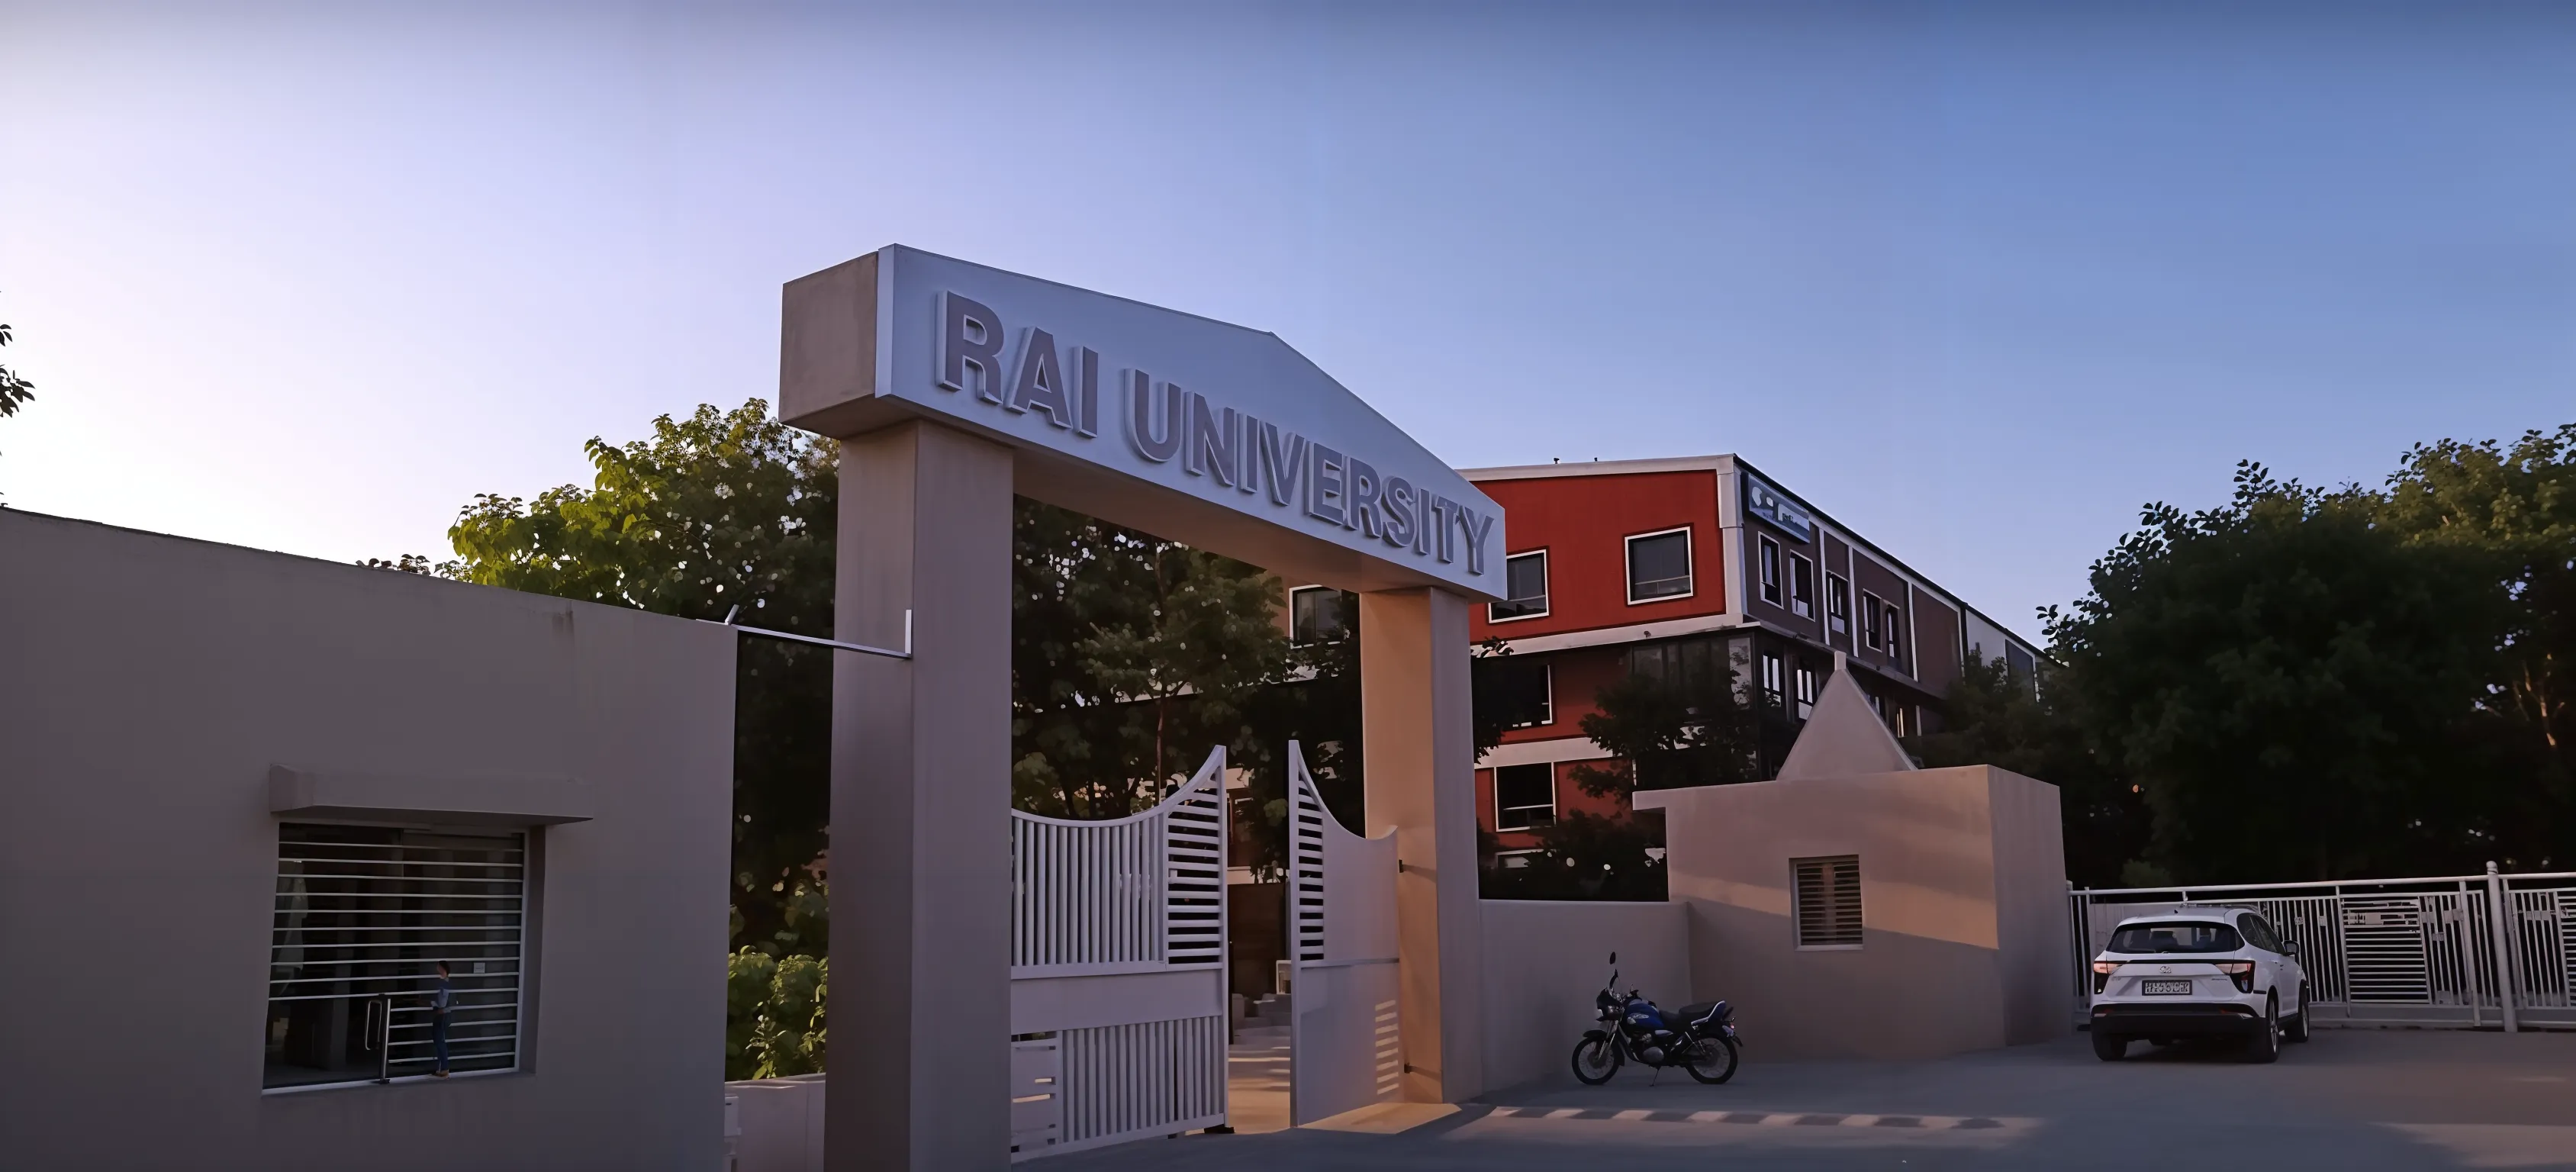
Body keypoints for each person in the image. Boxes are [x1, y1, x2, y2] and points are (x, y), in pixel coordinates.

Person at [430, 960, 453, 1077]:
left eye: (438, 967)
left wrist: (440, 1008)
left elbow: (445, 1003)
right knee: (439, 1041)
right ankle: (441, 1068)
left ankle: (444, 1069)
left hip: (442, 1016)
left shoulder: (445, 984)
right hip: (442, 1015)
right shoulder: (445, 983)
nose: (437, 969)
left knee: (440, 1042)